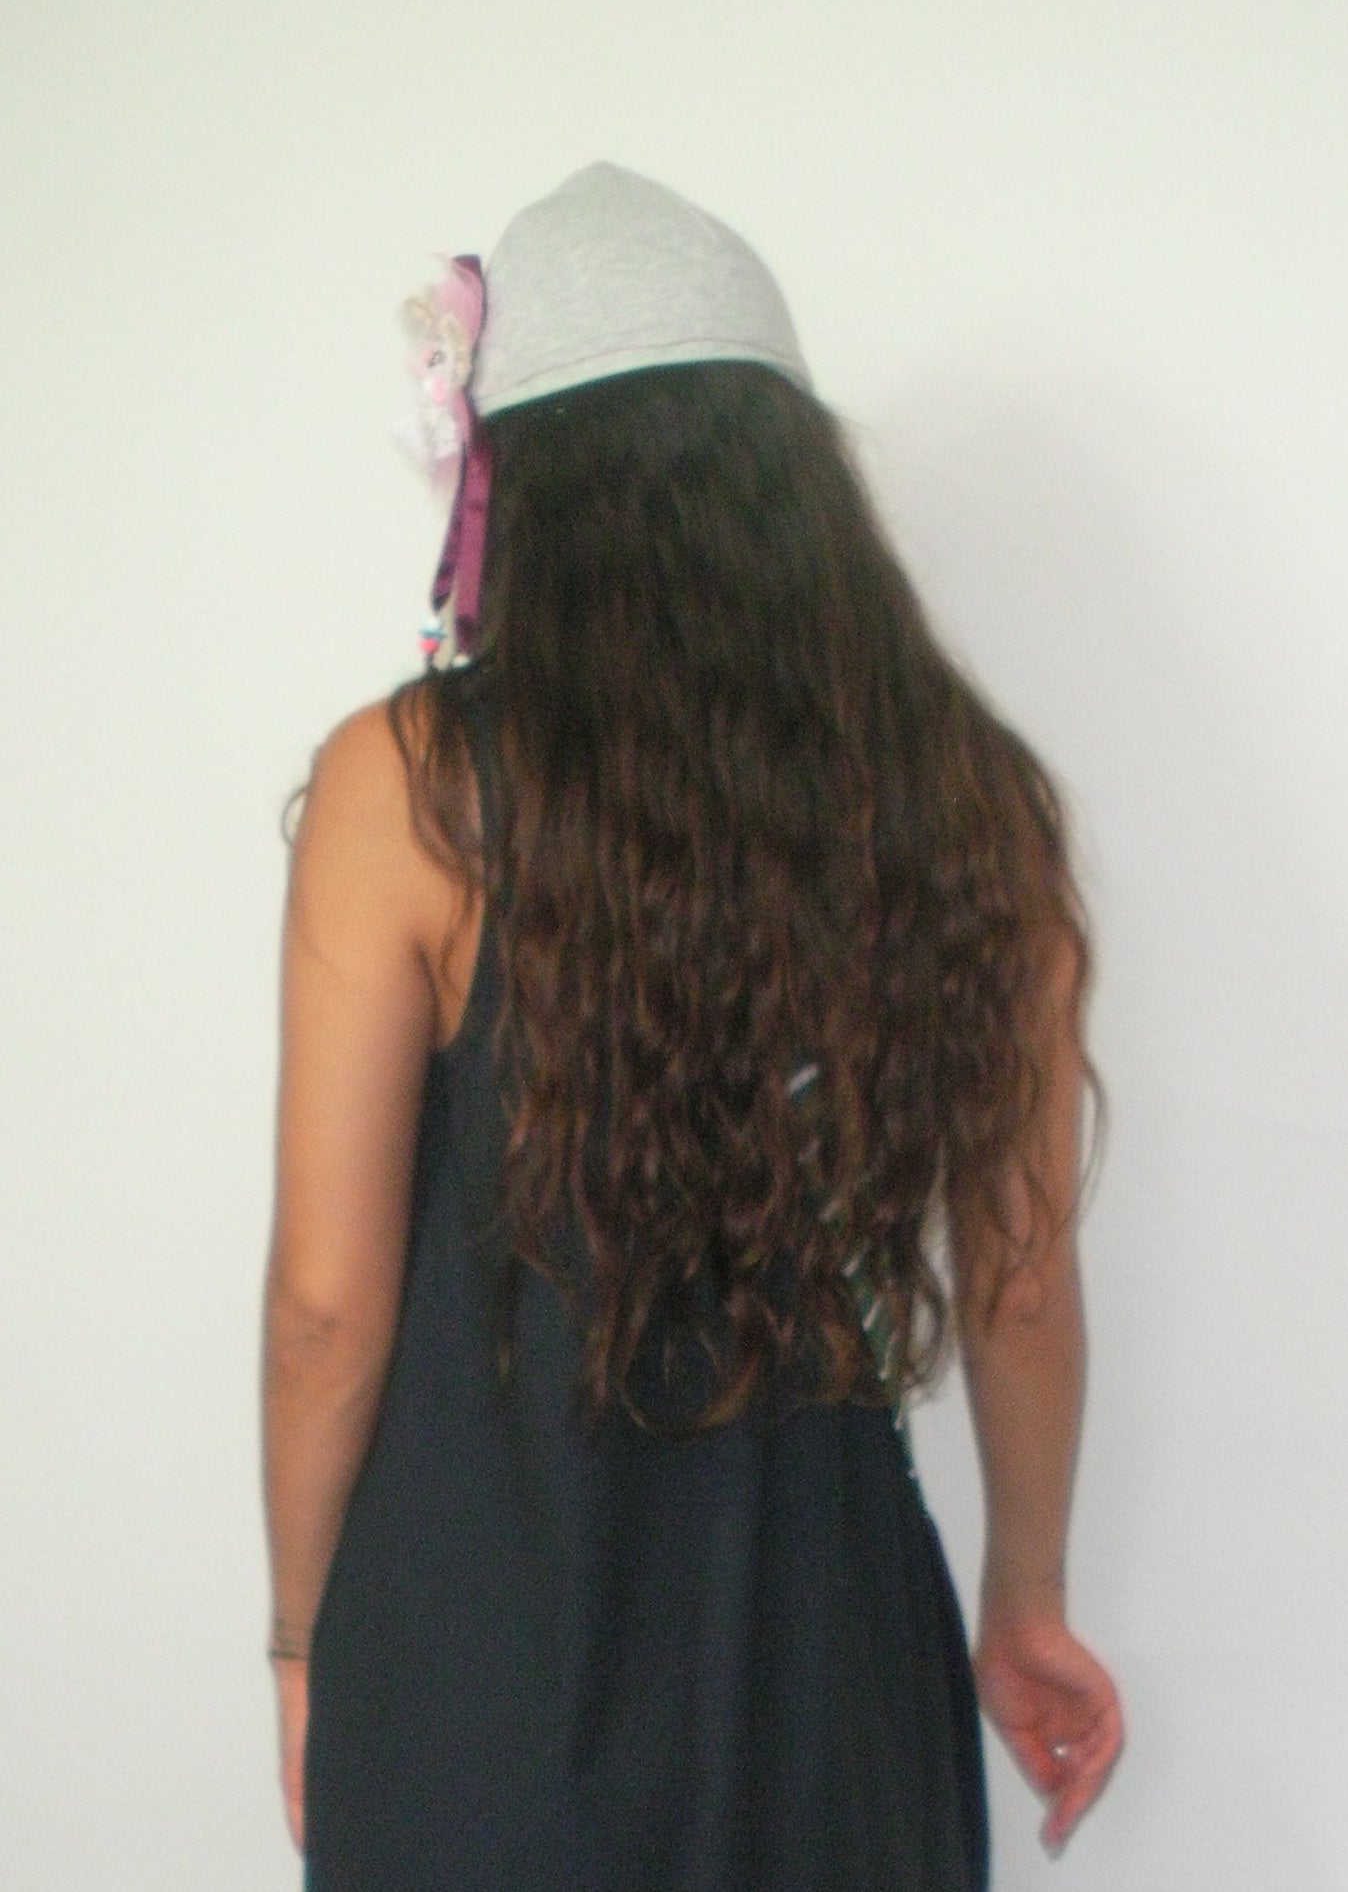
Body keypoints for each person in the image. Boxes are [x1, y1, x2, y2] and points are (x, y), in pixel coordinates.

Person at [262, 163, 1123, 1892]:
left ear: (516, 486)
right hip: (829, 1683)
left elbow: (326, 1307)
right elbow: (1020, 1277)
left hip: (481, 1678)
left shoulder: (413, 790)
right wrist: (1025, 1597)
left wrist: (299, 1636)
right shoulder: (967, 805)